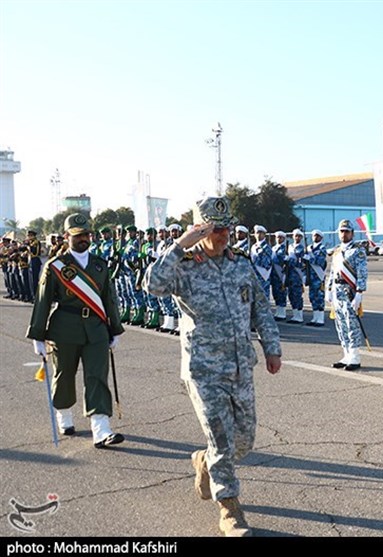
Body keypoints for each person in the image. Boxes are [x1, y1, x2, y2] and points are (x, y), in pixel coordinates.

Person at [142, 197, 282, 537]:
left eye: (227, 229)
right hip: (203, 369)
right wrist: (179, 245)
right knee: (221, 439)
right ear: (199, 229)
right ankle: (230, 510)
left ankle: (203, 462)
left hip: (239, 366)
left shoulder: (240, 264)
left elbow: (260, 308)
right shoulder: (183, 265)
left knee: (244, 441)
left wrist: (271, 348)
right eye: (216, 229)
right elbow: (151, 285)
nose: (224, 235)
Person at [26, 213, 125, 448]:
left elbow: (108, 299)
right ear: (66, 237)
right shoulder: (56, 266)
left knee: (97, 378)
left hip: (96, 329)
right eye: (78, 235)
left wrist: (115, 329)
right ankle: (64, 415)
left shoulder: (99, 264)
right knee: (64, 375)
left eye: (86, 234)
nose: (83, 239)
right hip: (65, 329)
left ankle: (101, 429)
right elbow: (43, 301)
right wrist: (37, 335)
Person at [327, 219, 368, 370]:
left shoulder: (358, 250)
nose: (344, 234)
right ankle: (346, 355)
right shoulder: (337, 251)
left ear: (352, 233)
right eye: (341, 231)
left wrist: (359, 293)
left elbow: (362, 273)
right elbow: (332, 272)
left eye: (347, 231)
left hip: (350, 291)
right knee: (341, 324)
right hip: (337, 291)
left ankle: (355, 357)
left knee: (352, 324)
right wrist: (328, 289)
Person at [305, 229, 328, 327]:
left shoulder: (322, 248)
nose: (315, 237)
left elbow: (320, 261)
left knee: (319, 297)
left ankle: (320, 319)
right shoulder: (309, 248)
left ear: (321, 238)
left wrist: (309, 258)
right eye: (314, 236)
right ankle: (315, 317)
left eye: (318, 236)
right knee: (312, 297)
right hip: (311, 276)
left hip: (318, 277)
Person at [285, 229, 307, 323]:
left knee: (297, 295)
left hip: (297, 275)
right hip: (290, 274)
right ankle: (295, 315)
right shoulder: (290, 246)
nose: (297, 237)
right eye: (295, 235)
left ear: (301, 238)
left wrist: (290, 260)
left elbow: (300, 263)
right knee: (291, 295)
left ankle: (299, 316)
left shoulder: (302, 248)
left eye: (299, 236)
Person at [249, 224, 273, 302]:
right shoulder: (253, 247)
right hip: (254, 275)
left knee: (264, 297)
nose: (258, 235)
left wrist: (255, 260)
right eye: (257, 233)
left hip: (263, 275)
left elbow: (268, 262)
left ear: (264, 234)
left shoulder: (266, 247)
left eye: (260, 233)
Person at [270, 231, 289, 320]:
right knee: (275, 293)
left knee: (281, 293)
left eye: (281, 238)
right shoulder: (273, 248)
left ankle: (282, 313)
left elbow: (281, 260)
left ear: (284, 239)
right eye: (277, 237)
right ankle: (278, 311)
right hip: (273, 275)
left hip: (280, 274)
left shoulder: (284, 249)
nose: (279, 239)